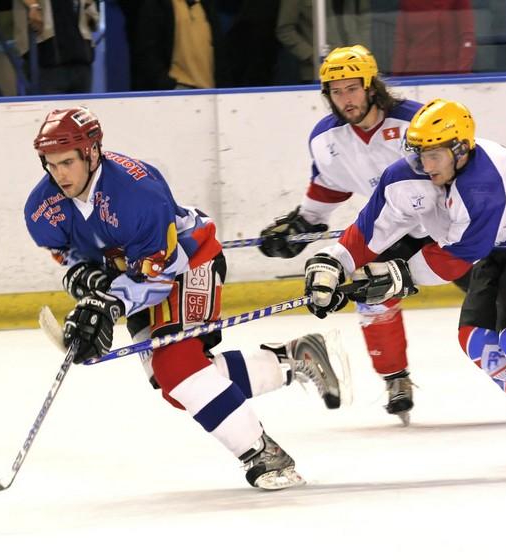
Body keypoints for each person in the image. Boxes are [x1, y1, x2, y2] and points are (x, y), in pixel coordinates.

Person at [259, 45, 506, 433]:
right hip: (416, 226)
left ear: (372, 87)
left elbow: (461, 244)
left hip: (483, 236)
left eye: (352, 88)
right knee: (430, 319)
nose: (345, 99)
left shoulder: (425, 132)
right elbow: (342, 200)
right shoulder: (329, 140)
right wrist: (321, 246)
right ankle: (395, 377)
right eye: (336, 92)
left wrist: (395, 275)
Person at [23, 107, 349, 490]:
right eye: (51, 164)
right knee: (176, 385)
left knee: (178, 368)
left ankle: (263, 455)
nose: (59, 175)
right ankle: (295, 358)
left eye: (67, 162)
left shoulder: (136, 193)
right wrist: (85, 283)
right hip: (135, 277)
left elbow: (160, 276)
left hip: (190, 262)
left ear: (92, 152)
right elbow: (70, 259)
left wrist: (109, 303)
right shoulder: (41, 209)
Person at [303, 98, 506, 465]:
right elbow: (370, 230)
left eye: (434, 156)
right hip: (502, 246)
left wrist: (395, 277)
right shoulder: (407, 173)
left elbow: (458, 256)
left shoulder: (486, 184)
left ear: (461, 150)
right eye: (419, 155)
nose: (424, 166)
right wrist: (333, 263)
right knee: (476, 339)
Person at [131, 0, 229, 90]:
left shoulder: (207, 7)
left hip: (210, 95)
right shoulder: (157, 5)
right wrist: (168, 85)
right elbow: (146, 52)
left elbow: (221, 55)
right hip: (176, 94)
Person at [13, 0, 100, 94]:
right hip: (46, 60)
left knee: (81, 106)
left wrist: (90, 10)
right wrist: (34, 6)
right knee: (45, 106)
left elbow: (93, 18)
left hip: (81, 59)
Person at [391, 0, 476, 76]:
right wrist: (396, 78)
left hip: (448, 76)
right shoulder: (407, 2)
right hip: (413, 77)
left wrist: (460, 77)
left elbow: (467, 38)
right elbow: (401, 42)